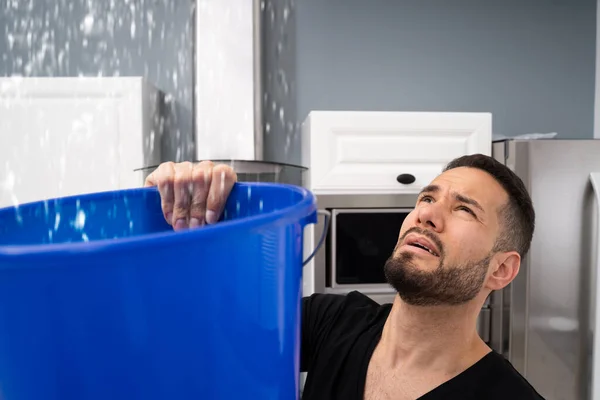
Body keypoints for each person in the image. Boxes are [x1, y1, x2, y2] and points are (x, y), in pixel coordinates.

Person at [144, 155, 545, 400]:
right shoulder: (332, 320)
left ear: (501, 269)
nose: (426, 214)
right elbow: (200, 337)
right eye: (426, 198)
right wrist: (189, 230)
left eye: (464, 210)